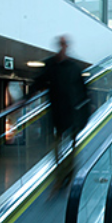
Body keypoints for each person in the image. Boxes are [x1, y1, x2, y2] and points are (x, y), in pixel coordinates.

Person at [35, 35, 90, 190]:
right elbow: (38, 81)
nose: (63, 47)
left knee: (71, 150)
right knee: (57, 150)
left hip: (72, 116)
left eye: (64, 44)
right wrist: (24, 99)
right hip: (57, 116)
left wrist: (84, 116)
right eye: (61, 44)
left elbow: (84, 92)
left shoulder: (73, 67)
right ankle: (60, 179)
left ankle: (68, 178)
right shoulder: (51, 65)